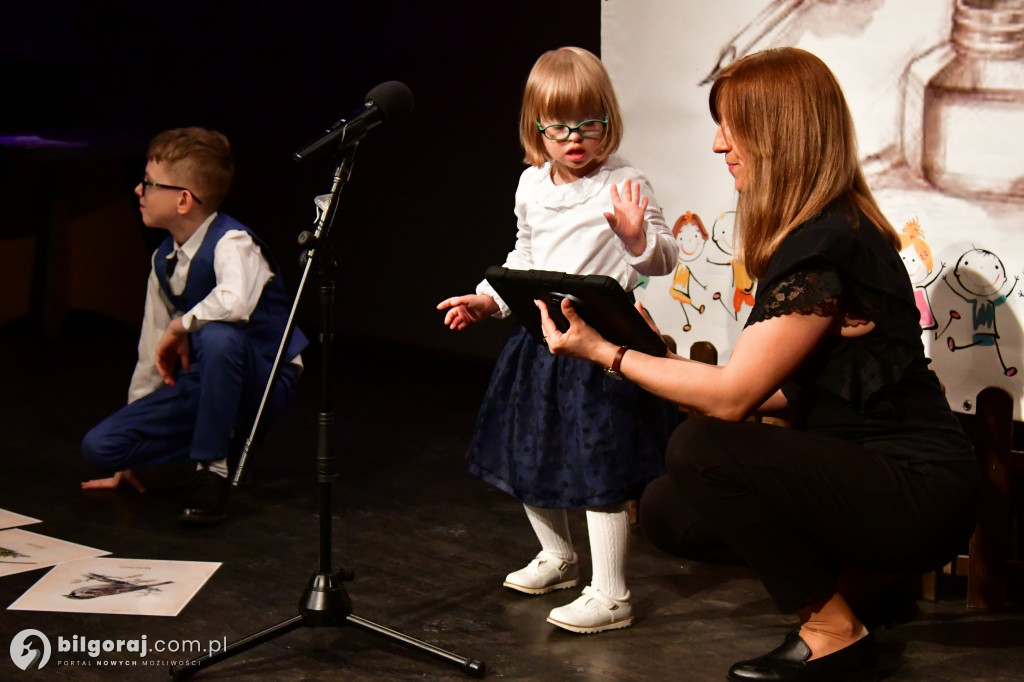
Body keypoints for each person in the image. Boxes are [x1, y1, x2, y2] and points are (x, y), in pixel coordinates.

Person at [537, 47, 978, 679]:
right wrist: (659, 359)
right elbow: (790, 391)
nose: (720, 145)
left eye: (731, 126)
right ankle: (866, 586)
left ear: (777, 132)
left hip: (917, 490)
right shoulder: (828, 231)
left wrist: (607, 352)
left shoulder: (827, 246)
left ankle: (833, 628)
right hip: (872, 474)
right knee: (670, 508)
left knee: (700, 448)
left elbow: (733, 398)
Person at [437, 46, 679, 634]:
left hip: (599, 348)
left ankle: (612, 591)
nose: (575, 138)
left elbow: (665, 255)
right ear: (536, 128)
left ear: (608, 120)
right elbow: (525, 253)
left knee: (600, 465)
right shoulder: (530, 184)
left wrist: (634, 239)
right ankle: (560, 556)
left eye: (589, 123)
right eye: (559, 126)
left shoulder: (625, 181)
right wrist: (487, 298)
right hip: (540, 342)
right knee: (528, 450)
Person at [81, 127, 307, 525]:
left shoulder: (233, 242)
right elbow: (151, 353)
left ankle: (212, 471)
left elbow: (234, 303)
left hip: (265, 379)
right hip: (207, 382)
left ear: (184, 199)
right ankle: (222, 439)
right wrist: (132, 447)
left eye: (150, 184)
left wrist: (180, 326)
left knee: (220, 333)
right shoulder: (161, 261)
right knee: (100, 448)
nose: (139, 190)